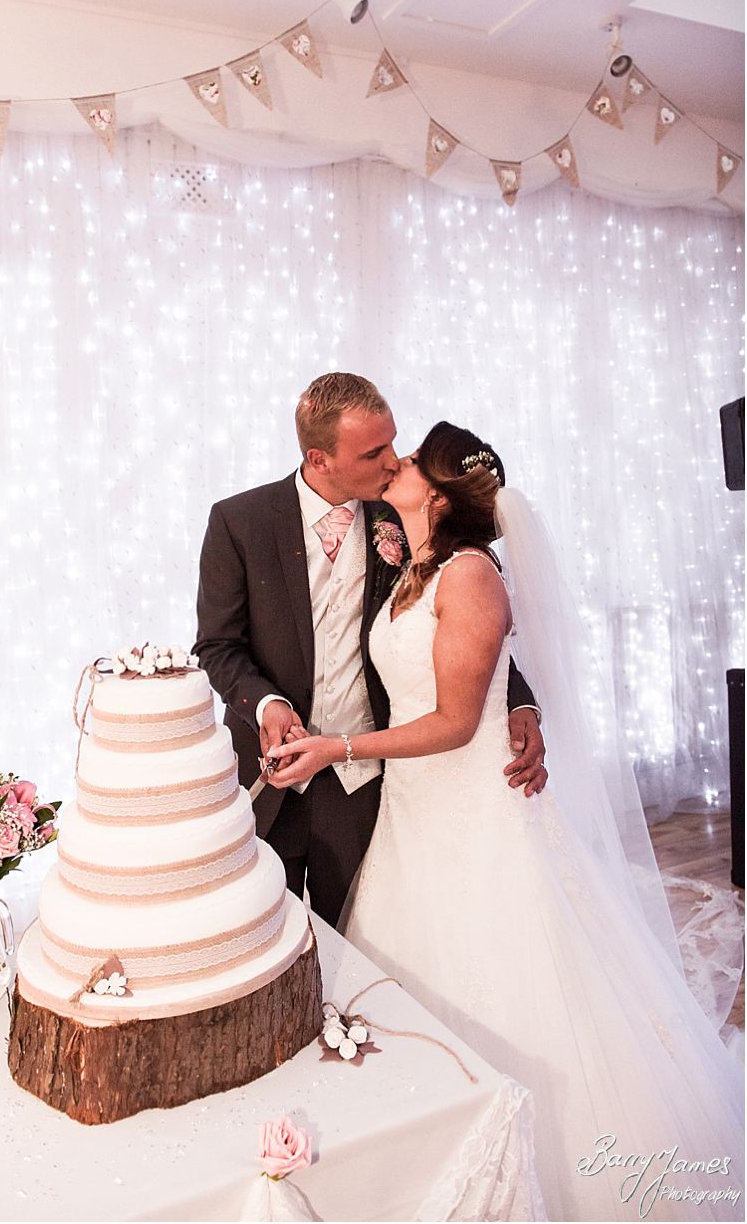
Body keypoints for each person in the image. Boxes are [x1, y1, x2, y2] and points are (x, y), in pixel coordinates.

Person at [268, 421, 744, 1221]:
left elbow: (457, 719)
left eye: (411, 459)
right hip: (414, 814)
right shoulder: (411, 560)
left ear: (443, 493)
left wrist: (335, 747)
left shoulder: (471, 574)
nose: (397, 464)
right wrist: (515, 705)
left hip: (474, 809)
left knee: (510, 980)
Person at [194, 374, 546, 928]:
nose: (392, 462)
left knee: (362, 948)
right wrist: (266, 704)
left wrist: (520, 704)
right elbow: (217, 645)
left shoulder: (406, 519)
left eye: (393, 442)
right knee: (263, 940)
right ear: (320, 458)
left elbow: (469, 625)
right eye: (373, 451)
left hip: (368, 786)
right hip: (270, 779)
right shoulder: (240, 522)